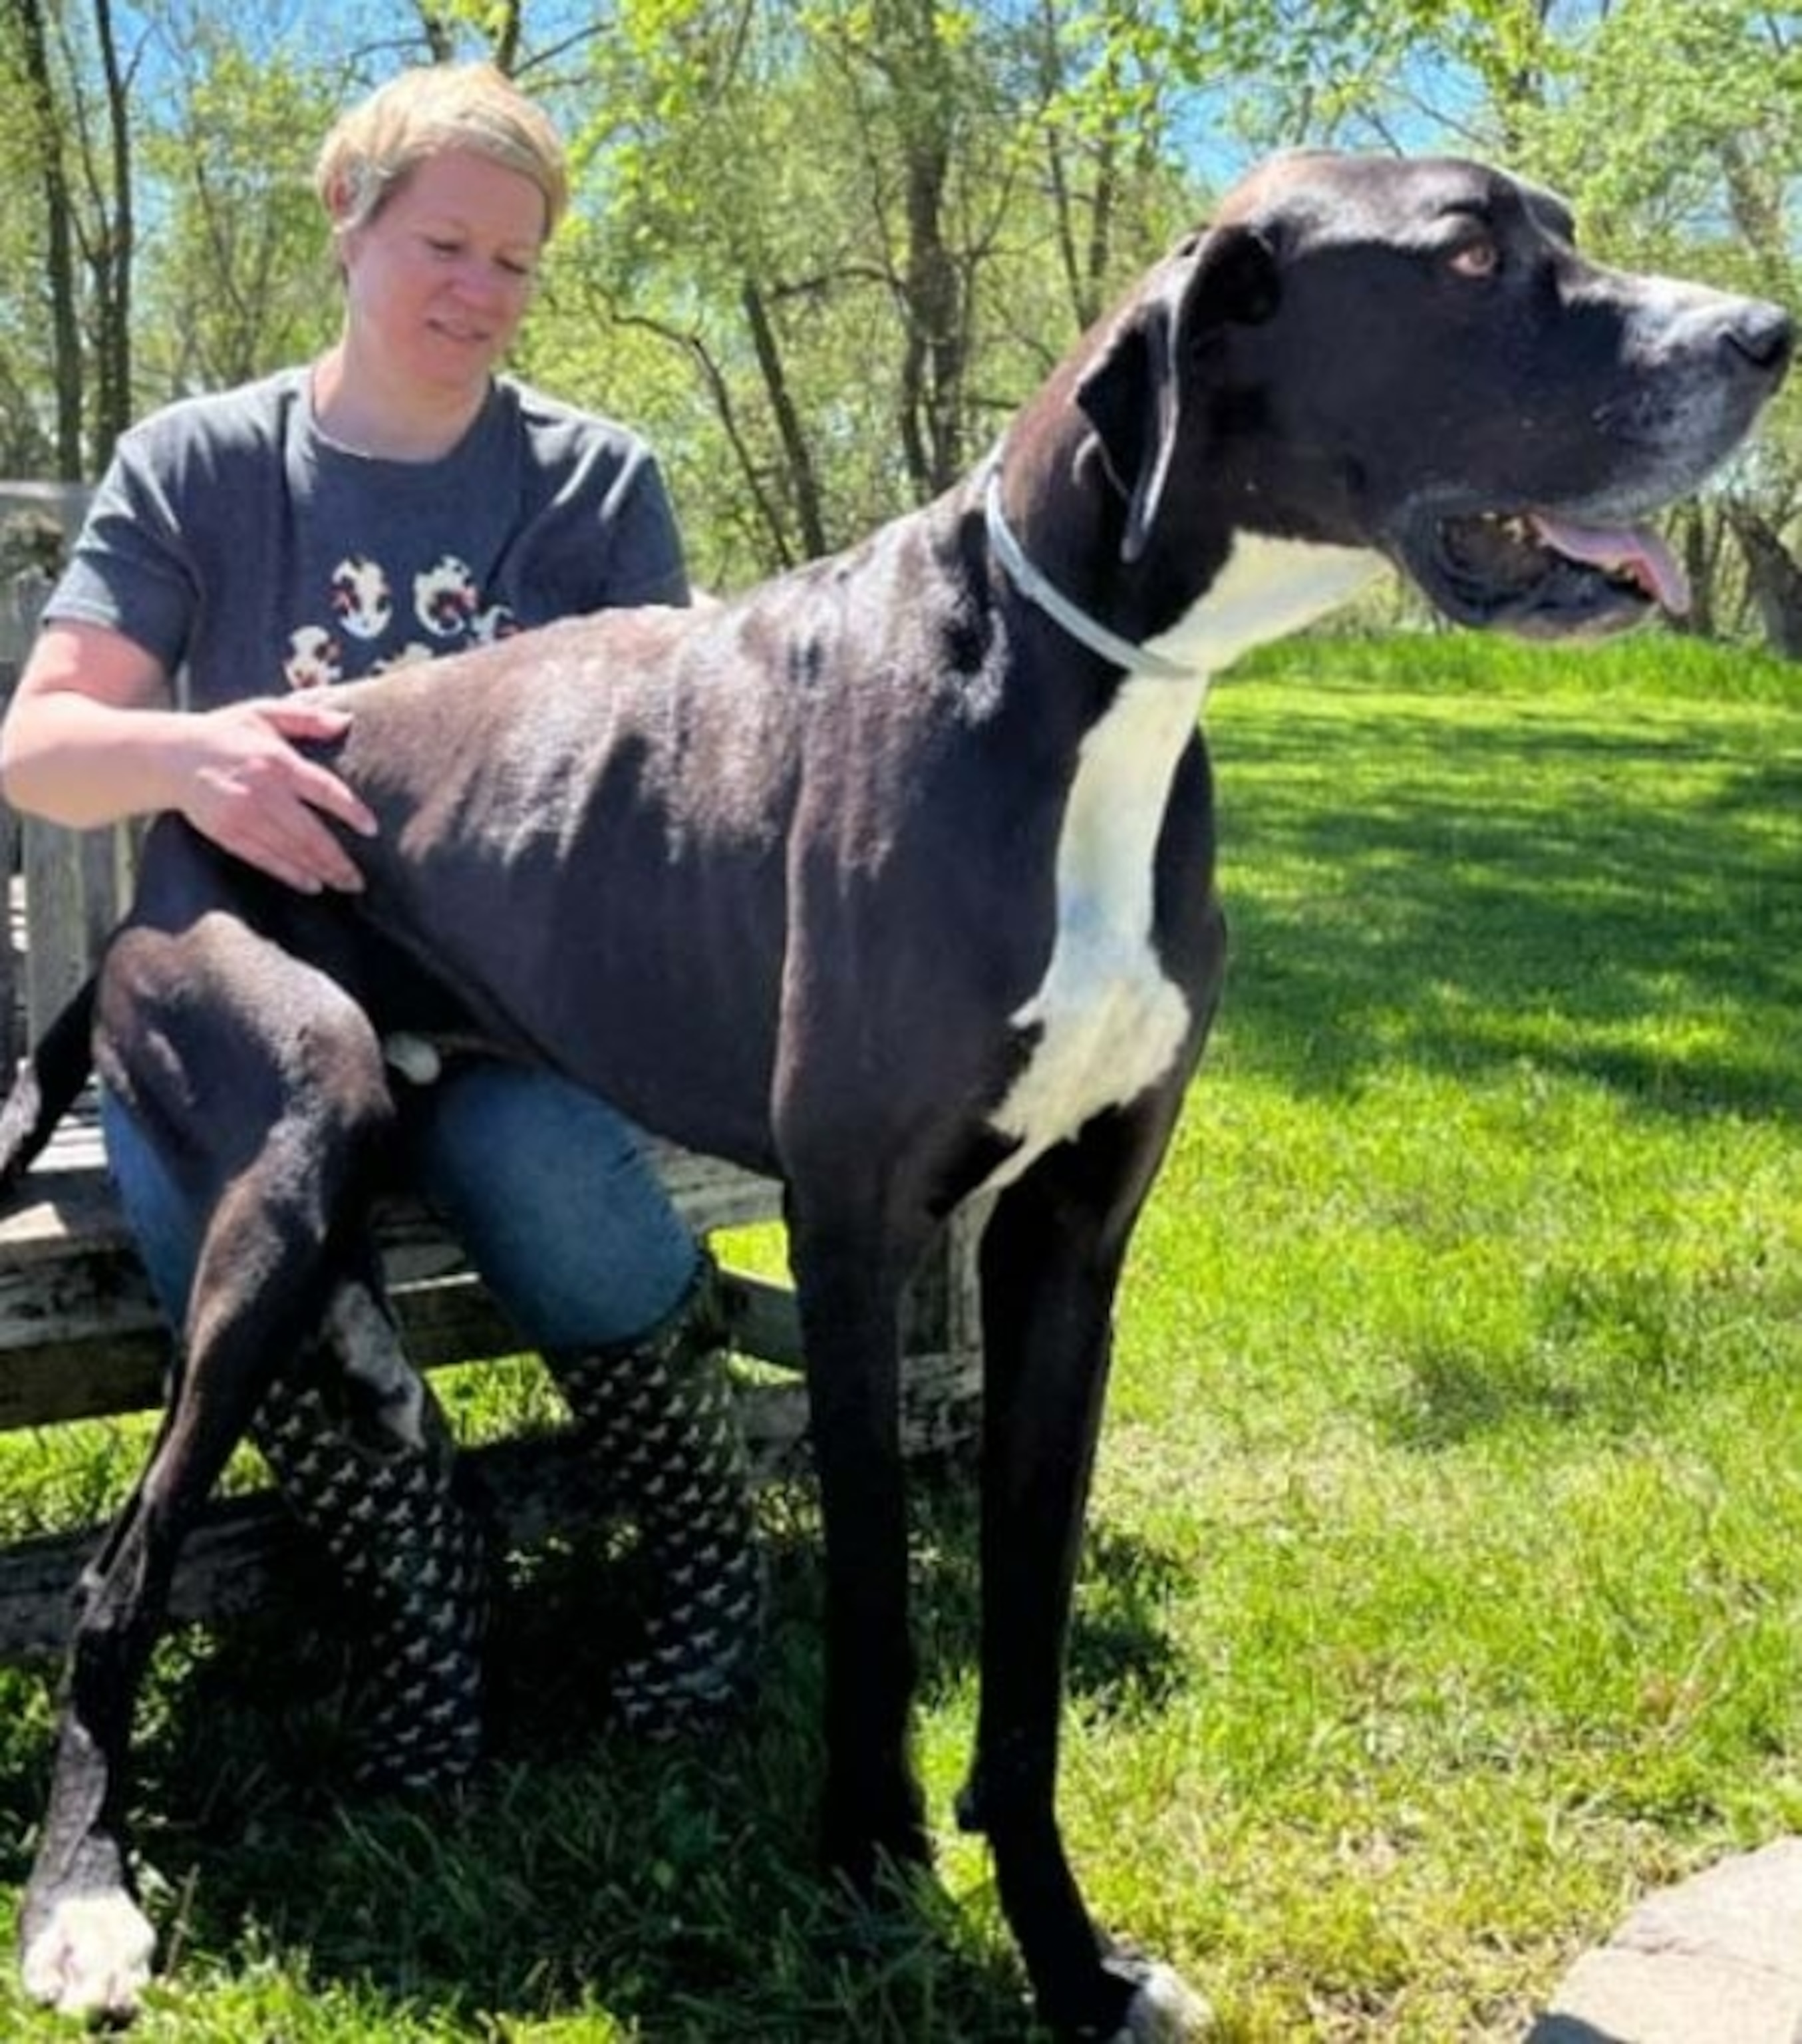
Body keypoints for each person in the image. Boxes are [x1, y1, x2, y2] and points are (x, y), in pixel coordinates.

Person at [0, 61, 763, 1785]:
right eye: (444, 242)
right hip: (247, 1007)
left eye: (516, 263)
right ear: (347, 224)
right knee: (259, 1247)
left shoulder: (589, 484)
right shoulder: (201, 464)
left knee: (553, 1180)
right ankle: (428, 1611)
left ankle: (712, 1568)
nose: (478, 292)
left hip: (498, 1010)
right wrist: (187, 755)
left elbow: (652, 795)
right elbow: (43, 751)